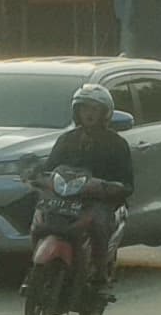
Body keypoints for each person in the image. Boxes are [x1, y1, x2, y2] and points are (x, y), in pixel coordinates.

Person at [47, 81, 137, 301]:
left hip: (99, 201)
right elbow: (49, 169)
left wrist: (108, 187)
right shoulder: (66, 140)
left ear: (104, 113)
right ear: (76, 111)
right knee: (40, 219)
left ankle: (99, 276)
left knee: (97, 224)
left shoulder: (116, 144)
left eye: (94, 109)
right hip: (65, 199)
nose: (88, 113)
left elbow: (126, 183)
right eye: (84, 108)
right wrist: (37, 178)